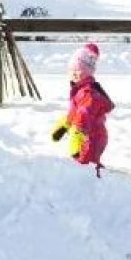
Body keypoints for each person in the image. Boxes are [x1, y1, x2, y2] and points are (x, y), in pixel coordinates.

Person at [51, 41, 115, 175]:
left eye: (79, 71)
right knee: (83, 165)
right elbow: (75, 112)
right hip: (88, 134)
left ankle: (96, 185)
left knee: (85, 166)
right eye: (72, 70)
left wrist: (78, 133)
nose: (74, 74)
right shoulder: (79, 90)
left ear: (88, 73)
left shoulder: (88, 92)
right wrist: (65, 124)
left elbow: (84, 113)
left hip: (92, 137)